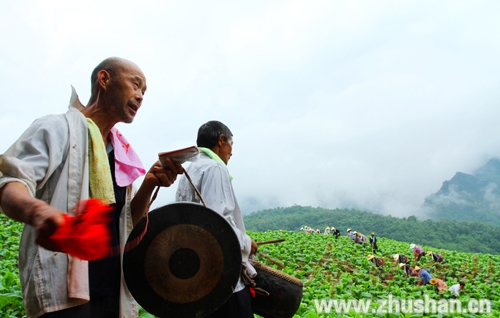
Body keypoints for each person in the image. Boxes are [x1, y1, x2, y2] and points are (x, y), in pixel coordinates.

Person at [0, 57, 183, 318]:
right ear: (104, 80)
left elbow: (124, 222)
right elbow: (9, 183)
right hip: (64, 293)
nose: (141, 96)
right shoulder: (57, 128)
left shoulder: (120, 151)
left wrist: (148, 185)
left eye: (144, 91)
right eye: (135, 84)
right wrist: (39, 213)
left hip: (112, 291)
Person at [175, 120, 257, 318]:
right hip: (223, 277)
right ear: (221, 140)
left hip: (197, 276)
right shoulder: (215, 168)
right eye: (231, 144)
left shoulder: (189, 170)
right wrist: (247, 242)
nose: (231, 152)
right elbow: (217, 223)